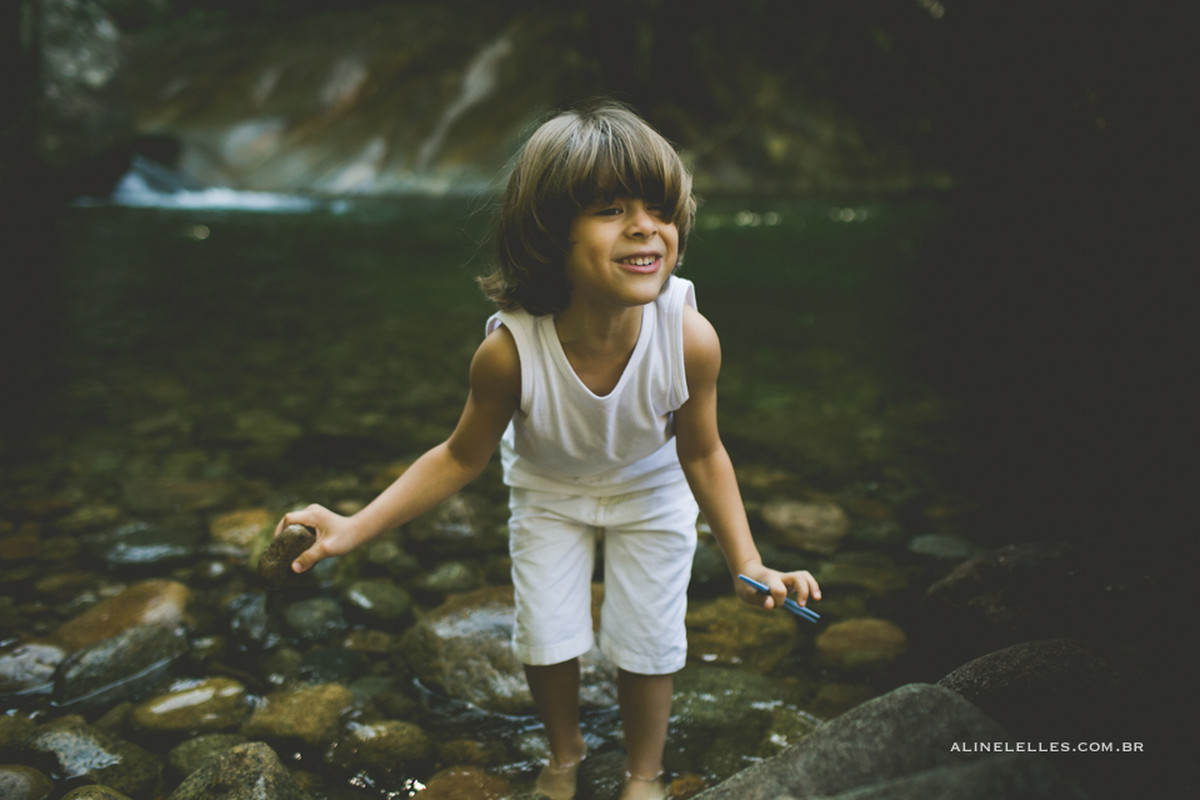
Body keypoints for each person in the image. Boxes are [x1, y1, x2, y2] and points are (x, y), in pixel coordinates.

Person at [275, 100, 821, 800]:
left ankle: (643, 774)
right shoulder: (508, 353)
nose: (645, 227)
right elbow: (458, 457)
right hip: (549, 493)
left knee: (649, 640)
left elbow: (705, 455)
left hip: (652, 492)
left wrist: (746, 560)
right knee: (547, 634)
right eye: (611, 209)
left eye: (659, 209)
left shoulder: (689, 338)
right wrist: (355, 526)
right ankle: (565, 756)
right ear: (547, 235)